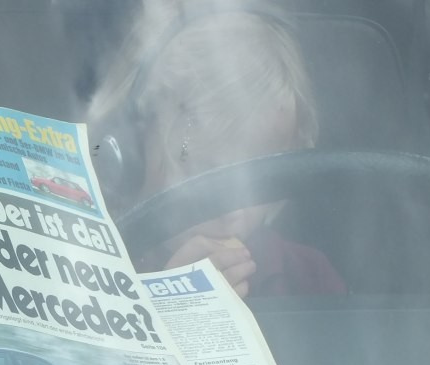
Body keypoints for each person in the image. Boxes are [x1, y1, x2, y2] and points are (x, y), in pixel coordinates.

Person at [88, 0, 345, 297]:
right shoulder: (94, 271)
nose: (231, 212)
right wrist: (167, 301)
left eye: (260, 181)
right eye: (206, 172)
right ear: (132, 151)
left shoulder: (308, 277)